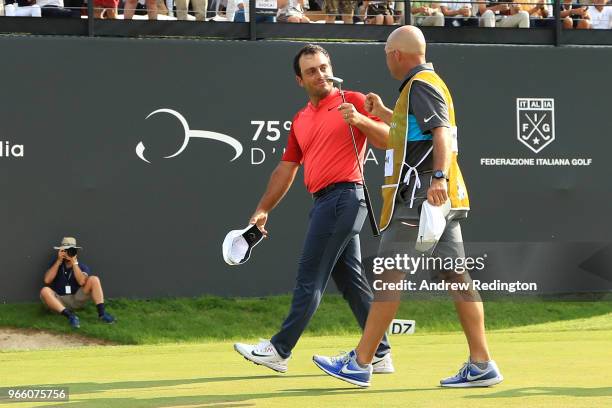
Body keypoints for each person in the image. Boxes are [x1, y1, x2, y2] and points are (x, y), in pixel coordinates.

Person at [312, 26, 503, 389]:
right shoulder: (421, 87)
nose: (386, 60)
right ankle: (481, 363)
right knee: (456, 276)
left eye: (387, 54)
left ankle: (360, 362)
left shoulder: (421, 84)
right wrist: (385, 112)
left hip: (421, 198)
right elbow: (407, 139)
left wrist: (438, 180)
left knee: (388, 276)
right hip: (437, 201)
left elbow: (441, 133)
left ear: (396, 54)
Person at [233, 44, 394, 375]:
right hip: (327, 201)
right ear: (299, 80)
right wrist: (263, 208)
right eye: (311, 71)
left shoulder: (353, 99)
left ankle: (279, 350)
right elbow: (286, 168)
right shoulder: (301, 120)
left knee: (310, 277)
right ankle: (379, 351)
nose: (320, 74)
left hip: (345, 197)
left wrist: (362, 119)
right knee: (349, 280)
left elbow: (390, 139)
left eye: (324, 67)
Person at [40, 237, 116, 329]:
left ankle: (102, 314)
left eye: (70, 251)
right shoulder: (55, 264)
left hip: (76, 299)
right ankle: (70, 316)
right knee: (44, 290)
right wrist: (58, 261)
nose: (68, 253)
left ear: (76, 252)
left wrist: (74, 264)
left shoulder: (82, 267)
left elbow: (81, 282)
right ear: (61, 251)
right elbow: (47, 280)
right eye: (65, 250)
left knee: (94, 279)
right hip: (58, 301)